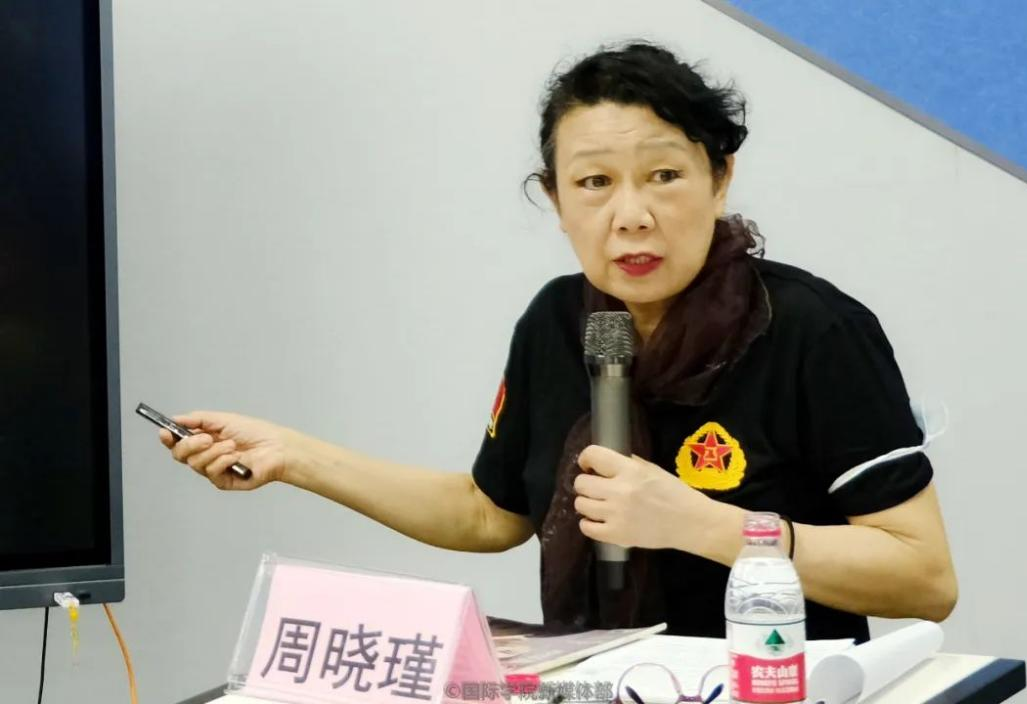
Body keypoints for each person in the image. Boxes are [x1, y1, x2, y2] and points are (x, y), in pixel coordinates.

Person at [160, 42, 957, 642]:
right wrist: (294, 457)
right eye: (595, 182)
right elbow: (489, 513)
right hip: (605, 680)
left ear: (720, 179)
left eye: (665, 176)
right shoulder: (557, 322)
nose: (631, 216)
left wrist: (705, 526)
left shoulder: (813, 330)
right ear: (556, 199)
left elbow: (924, 578)